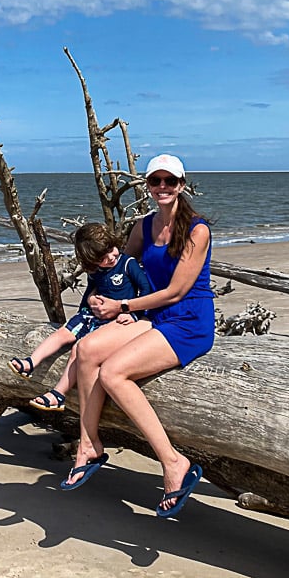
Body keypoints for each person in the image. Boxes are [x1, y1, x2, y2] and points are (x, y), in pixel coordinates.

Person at [60, 154, 214, 519]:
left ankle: (174, 463)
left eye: (169, 181)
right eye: (155, 181)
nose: (162, 187)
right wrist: (100, 298)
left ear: (181, 184)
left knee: (113, 372)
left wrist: (124, 308)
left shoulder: (197, 229)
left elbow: (176, 292)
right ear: (147, 186)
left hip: (188, 321)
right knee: (87, 349)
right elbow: (119, 272)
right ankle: (89, 445)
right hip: (153, 315)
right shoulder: (143, 228)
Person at [8, 222, 152, 411]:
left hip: (115, 320)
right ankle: (30, 363)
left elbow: (146, 290)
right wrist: (87, 305)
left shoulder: (127, 264)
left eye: (111, 249)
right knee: (62, 333)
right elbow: (89, 293)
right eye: (102, 258)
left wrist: (134, 315)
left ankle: (58, 394)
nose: (110, 257)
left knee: (78, 349)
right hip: (90, 315)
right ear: (92, 261)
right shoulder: (96, 270)